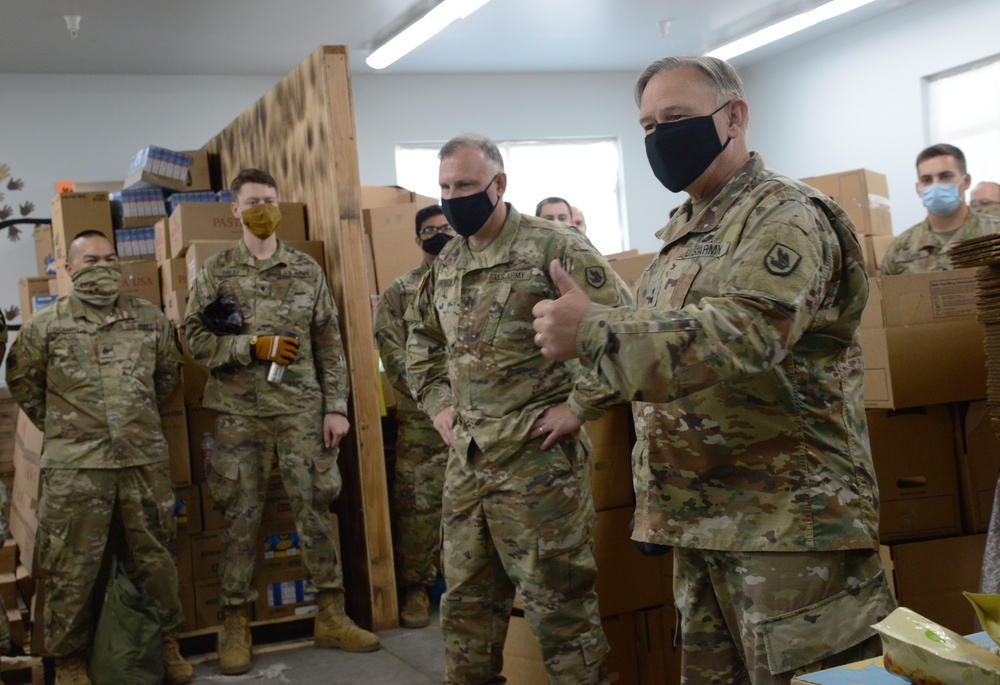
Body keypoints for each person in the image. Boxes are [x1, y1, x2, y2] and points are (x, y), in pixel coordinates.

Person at [531, 56, 896, 685]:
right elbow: (661, 367)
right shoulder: (687, 230)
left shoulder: (785, 214)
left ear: (735, 116)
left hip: (788, 528)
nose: (658, 138)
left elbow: (748, 333)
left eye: (674, 119)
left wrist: (594, 328)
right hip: (704, 521)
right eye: (646, 125)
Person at [405, 133, 632, 685]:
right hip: (467, 464)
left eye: (464, 185)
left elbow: (626, 328)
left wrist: (580, 406)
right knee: (463, 612)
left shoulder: (554, 247)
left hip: (538, 465)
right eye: (444, 187)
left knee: (560, 612)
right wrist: (438, 404)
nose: (453, 197)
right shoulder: (450, 259)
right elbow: (421, 340)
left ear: (499, 184)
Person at [184, 168, 379, 675]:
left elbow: (329, 345)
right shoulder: (217, 271)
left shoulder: (306, 270)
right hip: (238, 415)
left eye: (270, 200)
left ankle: (331, 614)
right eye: (252, 201)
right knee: (240, 518)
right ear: (234, 209)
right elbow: (195, 341)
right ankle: (234, 624)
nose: (262, 209)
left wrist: (335, 407)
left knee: (315, 510)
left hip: (300, 412)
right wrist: (250, 345)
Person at [5, 231, 193, 685]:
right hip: (77, 470)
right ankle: (70, 660)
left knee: (155, 558)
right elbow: (24, 384)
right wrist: (70, 428)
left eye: (111, 259)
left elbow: (167, 377)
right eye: (91, 260)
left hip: (141, 462)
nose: (104, 266)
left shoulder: (150, 320)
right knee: (73, 568)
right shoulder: (43, 328)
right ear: (68, 269)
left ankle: (166, 643)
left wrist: (133, 420)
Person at [373, 204, 454, 629]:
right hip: (423, 418)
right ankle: (417, 589)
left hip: (481, 415)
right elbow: (396, 358)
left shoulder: (473, 277)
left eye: (445, 228)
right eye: (430, 230)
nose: (439, 235)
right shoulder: (400, 291)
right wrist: (438, 401)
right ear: (417, 238)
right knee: (419, 506)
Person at [880, 144, 1000, 275]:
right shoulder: (901, 248)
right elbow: (885, 293)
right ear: (918, 189)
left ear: (965, 181)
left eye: (945, 177)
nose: (935, 185)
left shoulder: (995, 232)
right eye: (926, 180)